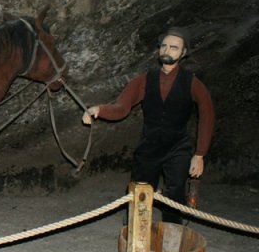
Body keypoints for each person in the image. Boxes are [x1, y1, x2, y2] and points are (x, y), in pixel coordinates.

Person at [82, 27, 215, 224]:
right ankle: (136, 233)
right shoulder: (145, 80)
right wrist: (99, 110)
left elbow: (207, 115)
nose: (167, 50)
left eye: (174, 48)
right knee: (140, 192)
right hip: (149, 145)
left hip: (178, 146)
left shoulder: (192, 83)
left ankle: (172, 235)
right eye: (164, 46)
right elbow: (122, 107)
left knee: (175, 194)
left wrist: (199, 154)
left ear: (183, 53)